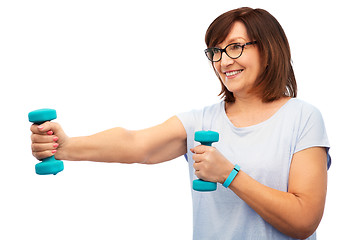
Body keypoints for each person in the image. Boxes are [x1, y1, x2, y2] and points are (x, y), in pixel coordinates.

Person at [30, 7, 331, 240]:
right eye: (216, 51)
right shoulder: (202, 120)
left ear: (268, 50)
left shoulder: (302, 118)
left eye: (236, 47)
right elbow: (136, 144)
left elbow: (303, 221)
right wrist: (66, 147)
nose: (224, 61)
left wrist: (228, 175)